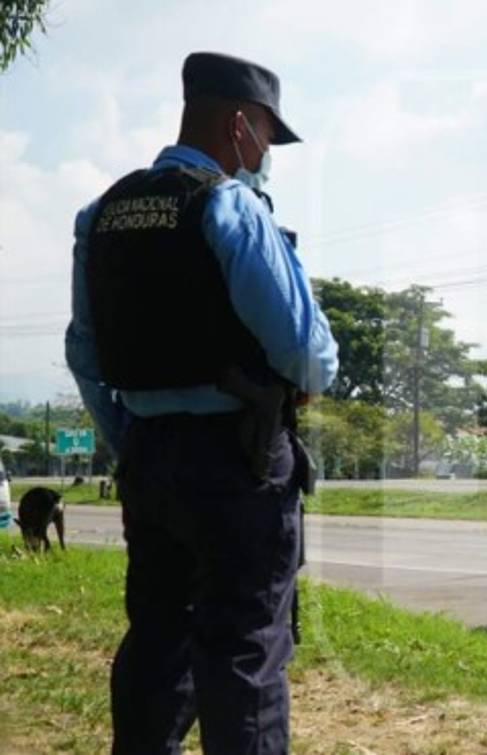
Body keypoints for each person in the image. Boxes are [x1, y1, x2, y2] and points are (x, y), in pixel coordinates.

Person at [66, 52, 338, 753]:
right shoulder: (228, 205)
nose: (267, 156)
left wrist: (133, 439)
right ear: (239, 124)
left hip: (150, 463)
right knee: (243, 653)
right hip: (237, 462)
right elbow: (307, 353)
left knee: (158, 641)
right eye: (268, 140)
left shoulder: (101, 215)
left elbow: (86, 356)